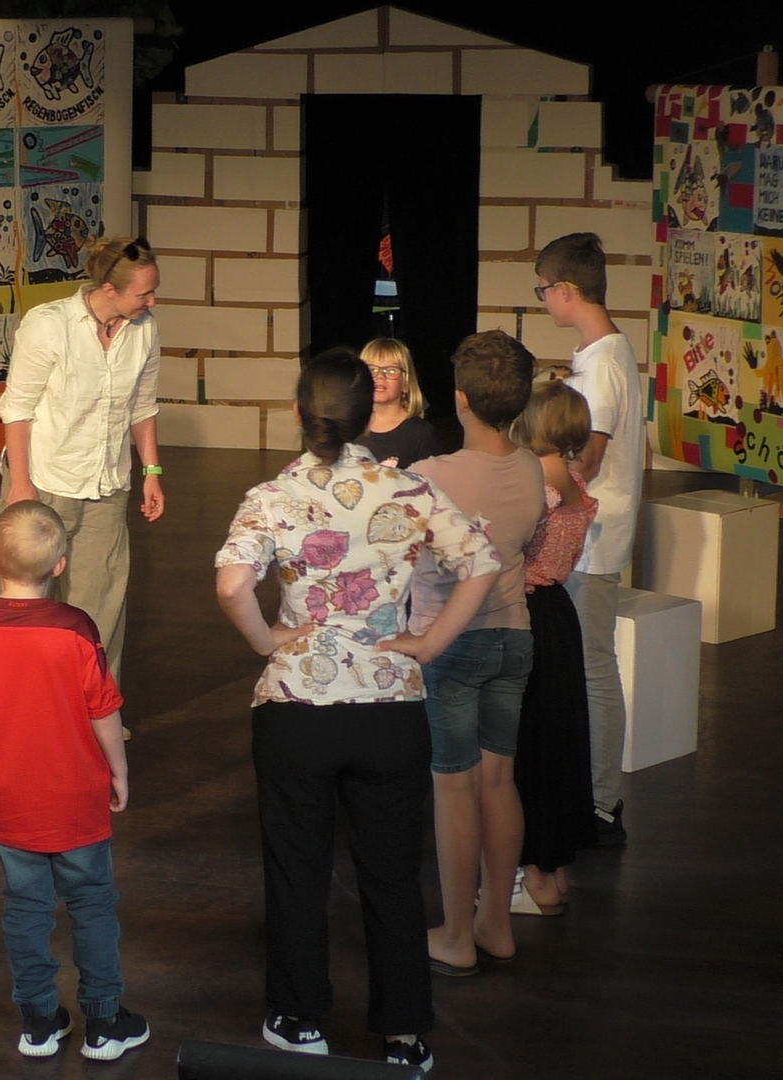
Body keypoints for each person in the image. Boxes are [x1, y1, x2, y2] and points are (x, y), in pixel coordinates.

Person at [214, 347, 502, 1074]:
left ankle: (298, 1018)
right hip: (389, 706)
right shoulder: (408, 489)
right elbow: (482, 563)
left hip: (296, 709)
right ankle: (404, 1034)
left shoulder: (269, 496)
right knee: (393, 875)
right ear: (367, 414)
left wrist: (267, 641)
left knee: (297, 869)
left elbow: (231, 586)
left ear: (297, 413)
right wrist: (428, 644)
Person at [0, 500, 149, 1062]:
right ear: (60, 564)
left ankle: (39, 1020)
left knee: (24, 907)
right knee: (91, 902)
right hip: (74, 793)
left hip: (9, 792)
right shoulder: (75, 629)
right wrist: (119, 770)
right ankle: (104, 1020)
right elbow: (103, 711)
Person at [0, 237, 164, 745]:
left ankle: (92, 708)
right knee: (12, 593)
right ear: (109, 289)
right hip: (45, 479)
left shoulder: (143, 330)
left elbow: (143, 406)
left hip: (107, 482)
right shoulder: (49, 324)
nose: (152, 301)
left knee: (101, 601)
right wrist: (21, 485)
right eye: (144, 293)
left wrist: (151, 471)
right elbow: (17, 408)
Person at [404, 331, 544, 974]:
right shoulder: (530, 468)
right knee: (498, 779)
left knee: (453, 787)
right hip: (513, 636)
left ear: (460, 398)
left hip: (452, 642)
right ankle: (496, 924)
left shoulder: (431, 477)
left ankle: (457, 935)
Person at [538, 232, 644, 845]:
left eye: (543, 290)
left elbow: (590, 458)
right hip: (586, 537)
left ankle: (603, 803)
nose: (543, 300)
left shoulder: (602, 362)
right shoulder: (600, 354)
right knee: (583, 665)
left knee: (594, 668)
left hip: (593, 540)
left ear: (565, 290)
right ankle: (588, 791)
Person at [508, 379, 601, 915]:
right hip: (557, 614)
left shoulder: (538, 480)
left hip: (531, 613)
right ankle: (555, 868)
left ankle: (537, 874)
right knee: (558, 738)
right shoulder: (572, 476)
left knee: (533, 745)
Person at [356, 338, 441, 468]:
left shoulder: (420, 433)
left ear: (406, 383)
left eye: (391, 370)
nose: (380, 376)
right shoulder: (350, 427)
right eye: (371, 370)